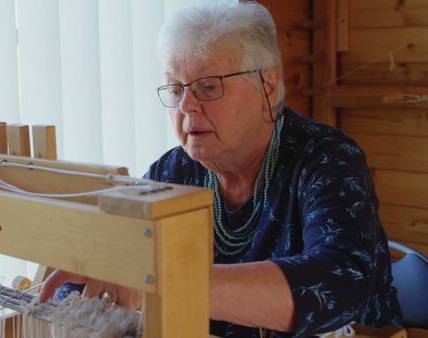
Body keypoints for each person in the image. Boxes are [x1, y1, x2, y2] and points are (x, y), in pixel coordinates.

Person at [39, 1, 402, 336]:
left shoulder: (328, 159)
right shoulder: (173, 172)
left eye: (208, 87)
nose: (187, 106)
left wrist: (166, 282)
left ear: (267, 84)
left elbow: (340, 283)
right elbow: (108, 267)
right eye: (175, 88)